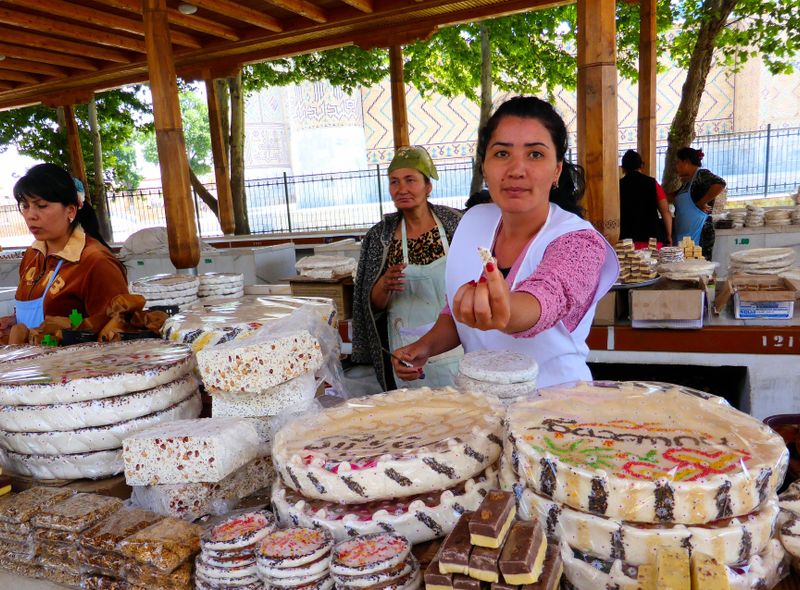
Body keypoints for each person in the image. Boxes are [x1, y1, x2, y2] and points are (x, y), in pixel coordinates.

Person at [390, 97, 619, 388]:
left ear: (557, 170)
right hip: (483, 409)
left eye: (535, 154)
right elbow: (458, 315)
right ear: (484, 166)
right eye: (501, 154)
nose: (516, 169)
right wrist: (424, 347)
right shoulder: (473, 222)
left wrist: (506, 307)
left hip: (557, 415)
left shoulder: (579, 243)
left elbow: (548, 297)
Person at [351, 146, 463, 391]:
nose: (401, 189)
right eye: (394, 182)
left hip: (457, 342)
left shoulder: (456, 225)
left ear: (428, 186)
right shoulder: (379, 237)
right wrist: (382, 287)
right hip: (404, 348)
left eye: (410, 180)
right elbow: (372, 307)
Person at [2, 163, 128, 342]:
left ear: (70, 210)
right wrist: (13, 321)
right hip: (30, 366)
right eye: (25, 206)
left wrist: (67, 329)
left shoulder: (95, 261)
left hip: (76, 367)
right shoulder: (32, 255)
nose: (31, 215)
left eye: (42, 205)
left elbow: (117, 329)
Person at [671, 146, 726, 258]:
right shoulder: (687, 183)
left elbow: (720, 183)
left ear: (686, 162)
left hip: (699, 234)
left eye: (678, 163)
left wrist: (702, 202)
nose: (676, 167)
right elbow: (673, 196)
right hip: (684, 237)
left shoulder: (701, 175)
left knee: (699, 269)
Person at [618, 149, 672, 247]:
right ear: (641, 165)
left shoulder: (618, 186)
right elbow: (665, 211)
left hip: (628, 242)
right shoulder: (652, 183)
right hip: (652, 240)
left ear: (623, 168)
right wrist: (669, 235)